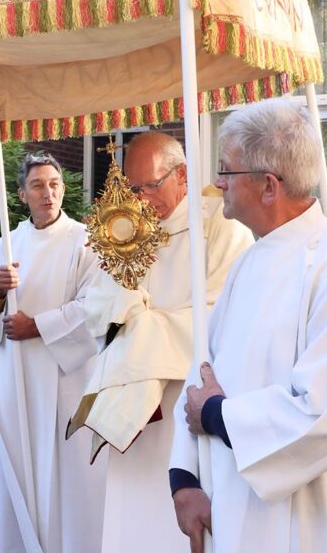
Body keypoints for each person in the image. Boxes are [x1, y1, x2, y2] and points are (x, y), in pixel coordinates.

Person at [170, 100, 327, 552]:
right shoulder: (248, 262)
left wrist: (218, 416)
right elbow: (204, 369)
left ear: (268, 187)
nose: (217, 183)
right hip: (231, 500)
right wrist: (185, 477)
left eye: (227, 170)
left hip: (308, 518)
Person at [76, 132, 253, 553]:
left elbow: (220, 317)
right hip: (134, 414)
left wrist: (140, 325)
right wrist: (126, 308)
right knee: (132, 523)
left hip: (188, 405)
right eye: (134, 188)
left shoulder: (222, 226)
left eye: (152, 186)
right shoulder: (127, 229)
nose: (141, 199)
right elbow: (96, 305)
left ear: (184, 175)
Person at [0, 154, 105, 553]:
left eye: (55, 183)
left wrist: (39, 327)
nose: (49, 192)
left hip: (66, 380)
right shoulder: (9, 243)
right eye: (39, 185)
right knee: (23, 473)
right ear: (23, 194)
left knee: (70, 476)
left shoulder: (86, 239)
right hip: (18, 378)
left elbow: (97, 305)